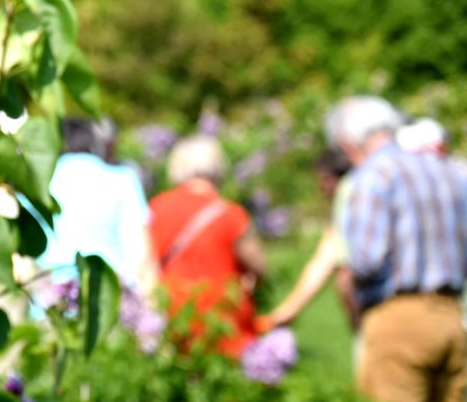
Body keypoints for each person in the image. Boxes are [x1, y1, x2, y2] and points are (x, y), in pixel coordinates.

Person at [328, 96, 467, 402]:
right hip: (453, 317)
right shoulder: (448, 170)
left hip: (399, 318)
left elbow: (365, 260)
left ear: (348, 143)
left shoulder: (373, 175)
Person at [148, 135, 266, 357]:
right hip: (223, 319)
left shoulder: (156, 208)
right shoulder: (231, 214)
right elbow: (259, 268)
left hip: (173, 315)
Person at [35, 117, 156, 295]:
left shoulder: (39, 181)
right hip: (108, 295)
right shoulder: (123, 180)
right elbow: (141, 257)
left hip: (47, 298)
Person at [259, 147, 359, 331]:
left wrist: (286, 312)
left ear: (331, 178)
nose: (321, 189)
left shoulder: (349, 191)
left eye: (322, 181)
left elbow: (332, 261)